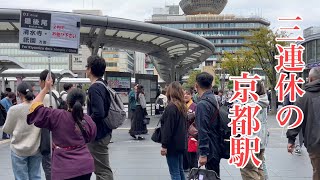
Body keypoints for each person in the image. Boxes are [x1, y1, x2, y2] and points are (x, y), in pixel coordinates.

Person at [27, 76, 96, 180]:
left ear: (67, 102)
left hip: (63, 168)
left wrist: (46, 88)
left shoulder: (56, 115)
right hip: (85, 166)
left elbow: (34, 109)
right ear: (83, 103)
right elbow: (91, 137)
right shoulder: (88, 120)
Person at [2, 82, 42, 180]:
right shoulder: (39, 108)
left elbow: (7, 129)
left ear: (18, 94)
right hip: (35, 148)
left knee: (21, 178)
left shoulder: (13, 109)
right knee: (36, 176)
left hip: (18, 149)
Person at [287, 67, 320, 180]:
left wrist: (291, 140)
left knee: (317, 171)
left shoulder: (304, 97)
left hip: (315, 142)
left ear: (310, 79)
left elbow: (296, 120)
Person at [86, 55, 114, 180]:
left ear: (90, 69)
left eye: (87, 66)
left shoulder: (94, 88)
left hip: (98, 134)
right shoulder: (103, 85)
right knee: (100, 169)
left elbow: (99, 113)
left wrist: (85, 122)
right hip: (104, 132)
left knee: (102, 170)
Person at [240, 81, 269, 180]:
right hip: (261, 140)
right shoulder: (262, 100)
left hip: (250, 141)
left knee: (249, 171)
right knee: (259, 169)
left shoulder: (251, 103)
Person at [195, 72, 221, 176]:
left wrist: (203, 154)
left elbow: (203, 130)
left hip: (209, 148)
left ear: (196, 86)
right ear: (211, 85)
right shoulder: (215, 99)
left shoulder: (202, 104)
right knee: (214, 175)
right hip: (216, 144)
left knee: (210, 176)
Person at [160, 81, 187, 180]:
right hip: (180, 143)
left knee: (174, 172)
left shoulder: (171, 107)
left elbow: (168, 128)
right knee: (180, 170)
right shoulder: (182, 106)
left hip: (172, 145)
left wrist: (164, 145)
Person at [39, 70, 60, 180]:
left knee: (48, 166)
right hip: (57, 135)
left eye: (39, 81)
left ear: (44, 82)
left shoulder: (47, 97)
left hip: (48, 137)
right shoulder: (57, 95)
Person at [183, 88, 197, 172]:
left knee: (192, 153)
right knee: (184, 152)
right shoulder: (180, 105)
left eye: (187, 94)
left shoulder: (195, 106)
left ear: (191, 95)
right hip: (182, 133)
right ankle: (185, 167)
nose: (185, 95)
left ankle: (193, 170)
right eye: (184, 93)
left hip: (192, 134)